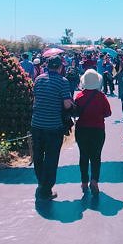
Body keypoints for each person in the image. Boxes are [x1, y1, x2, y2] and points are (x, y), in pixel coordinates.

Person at [30, 56, 73, 200]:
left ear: (47, 66)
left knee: (38, 155)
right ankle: (46, 189)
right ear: (60, 67)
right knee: (51, 157)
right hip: (53, 125)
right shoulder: (63, 81)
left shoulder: (38, 79)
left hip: (37, 124)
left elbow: (35, 99)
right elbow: (67, 104)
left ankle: (40, 182)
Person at [73, 69, 112, 194]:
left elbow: (76, 113)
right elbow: (108, 113)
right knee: (96, 156)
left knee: (83, 156)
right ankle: (94, 180)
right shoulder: (101, 96)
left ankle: (84, 182)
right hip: (98, 129)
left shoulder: (79, 96)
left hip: (82, 129)